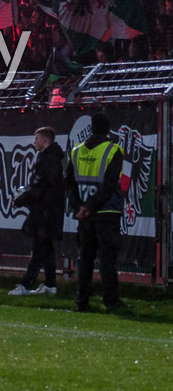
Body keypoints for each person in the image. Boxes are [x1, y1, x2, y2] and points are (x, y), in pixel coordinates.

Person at [65, 113, 127, 312]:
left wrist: (79, 207)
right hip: (106, 211)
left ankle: (81, 301)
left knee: (85, 258)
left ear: (91, 128)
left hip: (84, 215)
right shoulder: (113, 150)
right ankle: (111, 301)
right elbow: (109, 185)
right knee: (107, 259)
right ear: (108, 130)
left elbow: (69, 183)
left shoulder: (76, 151)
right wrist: (91, 206)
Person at [9, 126, 65, 296]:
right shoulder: (50, 158)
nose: (35, 142)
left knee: (39, 249)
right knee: (47, 249)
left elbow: (39, 188)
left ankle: (25, 285)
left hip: (45, 212)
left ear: (45, 140)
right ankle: (50, 285)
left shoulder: (49, 160)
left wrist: (20, 200)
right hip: (48, 210)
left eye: (37, 139)